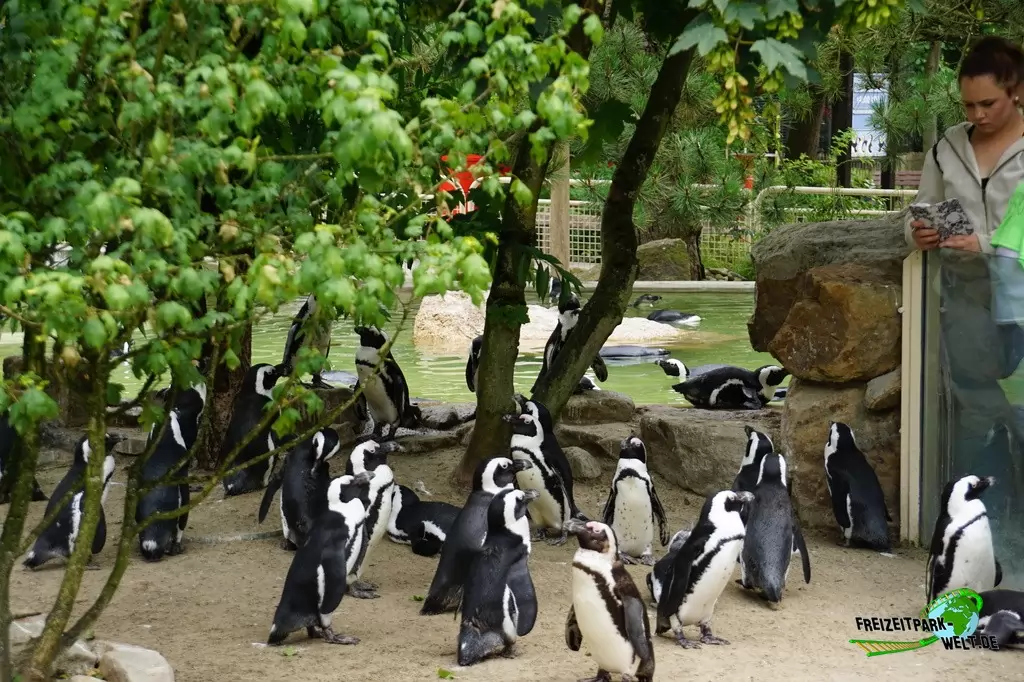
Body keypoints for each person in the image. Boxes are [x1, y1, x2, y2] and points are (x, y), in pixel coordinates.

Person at [905, 36, 1024, 514]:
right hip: (966, 299)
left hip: (1017, 294)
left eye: (988, 103)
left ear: (1017, 91)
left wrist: (987, 243)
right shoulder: (946, 148)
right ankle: (978, 510)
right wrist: (916, 232)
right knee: (974, 408)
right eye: (968, 105)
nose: (977, 114)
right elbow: (919, 209)